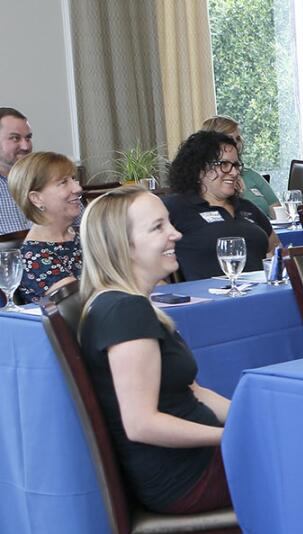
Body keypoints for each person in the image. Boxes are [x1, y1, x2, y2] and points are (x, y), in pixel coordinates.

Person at [77, 186, 231, 514]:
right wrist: (230, 438)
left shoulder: (127, 305)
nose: (175, 233)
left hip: (196, 464)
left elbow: (194, 392)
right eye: (158, 227)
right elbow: (141, 424)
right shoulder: (124, 312)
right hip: (188, 477)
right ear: (124, 245)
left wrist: (252, 419)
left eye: (169, 223)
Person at [164, 130, 279, 281]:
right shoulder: (175, 208)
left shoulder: (246, 207)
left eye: (236, 165)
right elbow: (145, 265)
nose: (234, 172)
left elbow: (276, 250)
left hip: (258, 295)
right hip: (205, 300)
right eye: (224, 164)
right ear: (199, 168)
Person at [7, 151, 83, 303]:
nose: (77, 188)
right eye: (63, 182)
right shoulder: (34, 258)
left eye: (73, 179)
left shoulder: (81, 237)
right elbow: (81, 304)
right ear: (36, 198)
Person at [199, 115, 281, 215]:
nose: (235, 143)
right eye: (228, 139)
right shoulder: (204, 180)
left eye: (237, 139)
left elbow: (278, 212)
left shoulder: (250, 175)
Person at [0, 107, 35, 233]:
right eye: (15, 138)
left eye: (28, 138)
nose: (25, 146)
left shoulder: (47, 177)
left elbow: (82, 230)